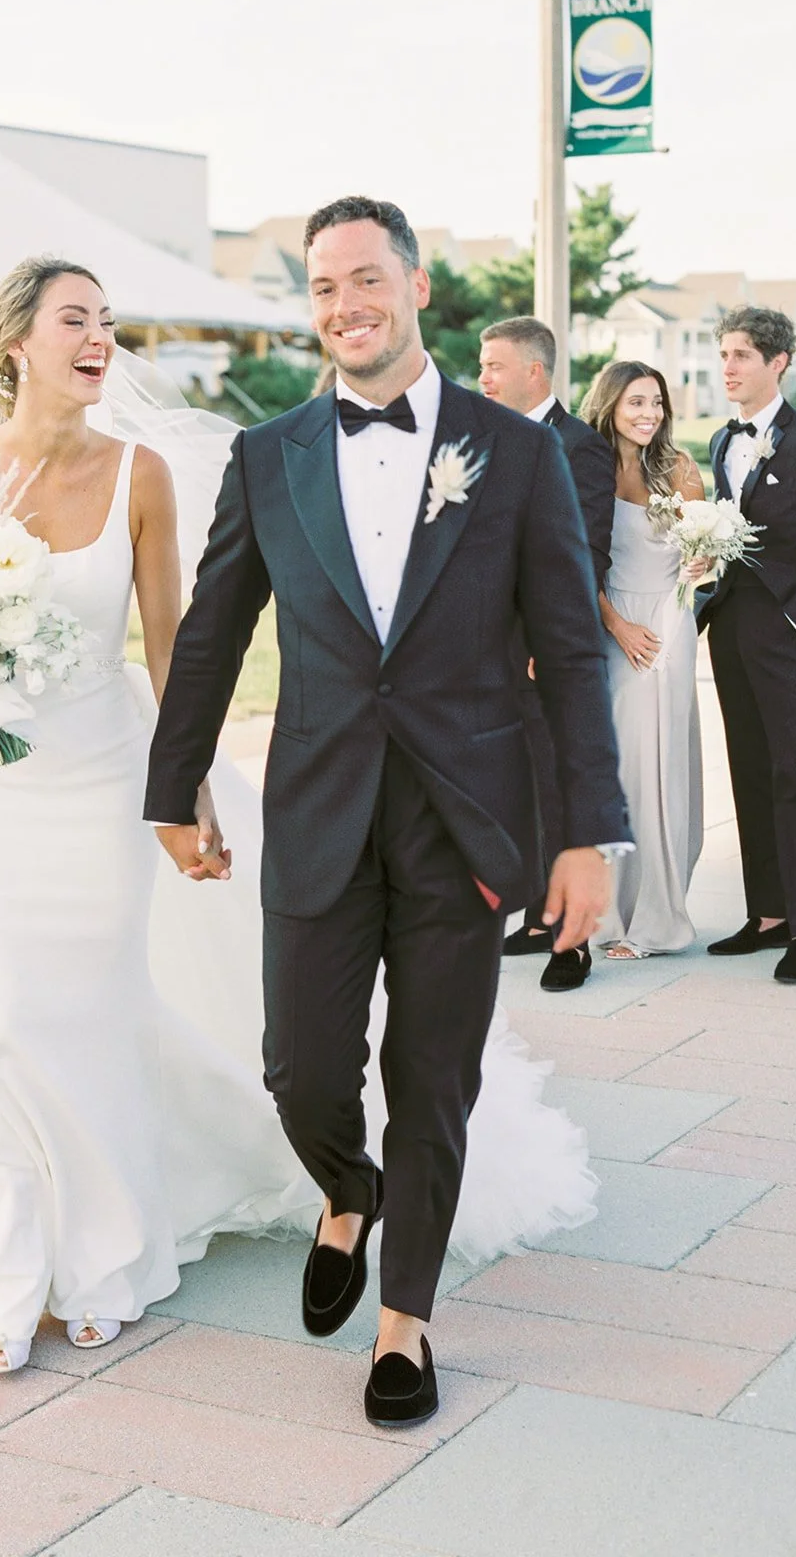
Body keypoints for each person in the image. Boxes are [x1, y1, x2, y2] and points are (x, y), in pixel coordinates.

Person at [0, 254, 604, 1391]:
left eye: (107, 320)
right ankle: (16, 1274)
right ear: (15, 341)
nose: (100, 338)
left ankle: (214, 1281)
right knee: (14, 1022)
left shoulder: (152, 471)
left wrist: (180, 785)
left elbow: (175, 643)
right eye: (75, 320)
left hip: (126, 777)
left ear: (412, 287)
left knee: (117, 1019)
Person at [146, 196, 629, 1429]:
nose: (345, 305)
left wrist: (589, 833)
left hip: (463, 818)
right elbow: (210, 635)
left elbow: (572, 653)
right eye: (322, 287)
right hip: (316, 808)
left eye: (367, 278)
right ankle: (344, 1187)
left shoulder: (512, 453)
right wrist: (175, 786)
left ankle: (404, 1320)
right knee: (300, 1066)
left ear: (418, 287)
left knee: (434, 1073)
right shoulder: (271, 456)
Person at [479, 317, 617, 992]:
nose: (483, 379)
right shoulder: (483, 441)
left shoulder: (581, 447)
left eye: (494, 366)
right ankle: (537, 915)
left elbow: (584, 552)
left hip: (541, 650)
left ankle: (574, 944)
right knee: (518, 785)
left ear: (535, 371)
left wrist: (543, 640)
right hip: (485, 650)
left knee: (559, 787)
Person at [702, 307, 796, 984]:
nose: (728, 368)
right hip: (733, 629)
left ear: (777, 363)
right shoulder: (719, 440)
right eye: (723, 355)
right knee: (747, 769)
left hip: (794, 636)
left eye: (741, 355)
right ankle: (767, 913)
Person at [579, 362, 706, 958]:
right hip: (611, 622)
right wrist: (616, 625)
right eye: (635, 403)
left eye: (656, 402)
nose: (649, 414)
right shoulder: (586, 466)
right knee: (617, 768)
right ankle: (606, 914)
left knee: (659, 765)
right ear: (609, 406)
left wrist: (706, 565)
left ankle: (657, 918)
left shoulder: (680, 469)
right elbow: (576, 559)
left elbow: (701, 552)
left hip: (669, 624)